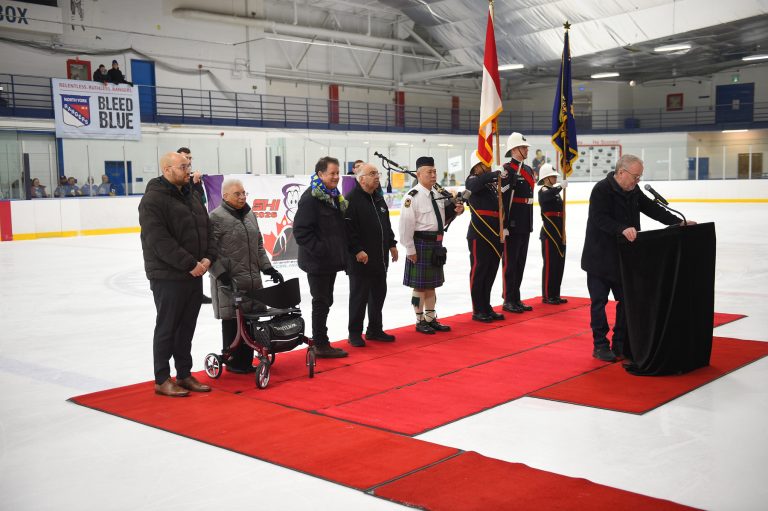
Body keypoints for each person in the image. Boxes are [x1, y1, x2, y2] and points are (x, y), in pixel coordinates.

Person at [582, 154, 696, 362]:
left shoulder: (633, 190)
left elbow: (652, 209)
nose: (638, 181)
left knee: (627, 302)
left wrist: (677, 222)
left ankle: (620, 343)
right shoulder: (601, 190)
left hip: (624, 258)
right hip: (599, 258)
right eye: (635, 176)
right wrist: (621, 228)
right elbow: (599, 218)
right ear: (621, 172)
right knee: (599, 303)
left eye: (639, 177)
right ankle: (600, 345)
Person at [138, 151, 216, 397]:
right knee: (167, 327)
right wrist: (189, 263)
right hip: (168, 275)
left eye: (189, 165)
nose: (188, 170)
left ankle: (184, 373)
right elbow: (158, 240)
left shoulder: (192, 195)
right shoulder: (153, 200)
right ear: (167, 170)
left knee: (186, 327)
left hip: (194, 273)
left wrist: (207, 257)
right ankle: (162, 378)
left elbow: (205, 228)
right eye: (183, 166)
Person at [209, 178, 284, 373]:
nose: (242, 197)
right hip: (229, 281)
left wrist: (268, 268)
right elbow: (209, 251)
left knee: (251, 321)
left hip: (252, 280)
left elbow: (258, 245)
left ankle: (247, 360)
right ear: (225, 196)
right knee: (233, 320)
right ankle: (233, 362)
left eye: (244, 193)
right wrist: (221, 274)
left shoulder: (250, 215)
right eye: (237, 194)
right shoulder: (215, 217)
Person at [400, 156, 464, 334]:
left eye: (435, 171)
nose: (434, 175)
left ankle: (430, 318)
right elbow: (405, 226)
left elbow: (442, 219)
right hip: (420, 244)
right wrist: (410, 249)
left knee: (431, 285)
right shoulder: (412, 197)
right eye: (429, 172)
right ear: (419, 174)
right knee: (419, 286)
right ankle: (419, 319)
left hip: (436, 245)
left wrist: (457, 211)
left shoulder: (437, 194)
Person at [293, 156, 349, 358]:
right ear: (320, 174)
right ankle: (320, 344)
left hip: (329, 261)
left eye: (338, 173)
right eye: (332, 173)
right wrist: (322, 250)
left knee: (326, 301)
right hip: (317, 262)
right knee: (321, 301)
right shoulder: (311, 198)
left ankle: (321, 341)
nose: (336, 177)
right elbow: (300, 232)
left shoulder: (333, 196)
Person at [344, 163, 398, 347]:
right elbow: (347, 230)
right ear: (361, 179)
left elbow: (386, 224)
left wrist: (392, 244)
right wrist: (357, 249)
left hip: (380, 258)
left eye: (377, 173)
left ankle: (374, 329)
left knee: (378, 295)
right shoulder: (351, 200)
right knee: (359, 297)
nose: (377, 177)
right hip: (360, 260)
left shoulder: (378, 198)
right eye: (372, 173)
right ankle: (354, 333)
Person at [465, 152, 508, 322]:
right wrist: (494, 174)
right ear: (477, 166)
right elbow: (474, 186)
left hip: (494, 233)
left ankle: (486, 306)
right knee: (479, 271)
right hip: (480, 233)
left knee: (490, 272)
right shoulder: (472, 179)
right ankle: (478, 309)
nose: (489, 166)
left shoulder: (490, 185)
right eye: (486, 164)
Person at [501, 132, 535, 314]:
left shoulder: (527, 170)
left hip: (525, 221)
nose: (526, 150)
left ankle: (516, 297)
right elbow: (504, 200)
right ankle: (508, 299)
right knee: (510, 263)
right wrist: (504, 224)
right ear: (514, 150)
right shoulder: (507, 170)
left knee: (520, 262)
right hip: (512, 223)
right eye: (523, 147)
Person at [177, 147, 212, 304]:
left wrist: (196, 184)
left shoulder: (192, 178)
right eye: (186, 157)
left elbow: (201, 200)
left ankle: (197, 292)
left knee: (197, 258)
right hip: (182, 226)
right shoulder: (176, 180)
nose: (189, 160)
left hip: (195, 225)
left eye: (190, 158)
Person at [537, 164, 568, 305]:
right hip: (549, 232)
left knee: (558, 264)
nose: (555, 178)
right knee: (550, 264)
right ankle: (548, 295)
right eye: (553, 176)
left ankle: (555, 294)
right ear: (546, 178)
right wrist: (560, 187)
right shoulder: (543, 190)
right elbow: (546, 197)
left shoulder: (555, 192)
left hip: (559, 231)